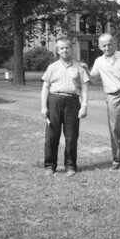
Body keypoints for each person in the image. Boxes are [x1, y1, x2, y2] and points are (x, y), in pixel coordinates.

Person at [87, 33, 120, 170]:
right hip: (112, 97)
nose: (107, 47)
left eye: (109, 44)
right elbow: (93, 79)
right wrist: (84, 70)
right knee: (114, 129)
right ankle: (117, 160)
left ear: (115, 44)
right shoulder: (99, 61)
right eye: (104, 45)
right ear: (100, 47)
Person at [41, 36, 89, 177]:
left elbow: (85, 88)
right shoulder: (52, 67)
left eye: (67, 47)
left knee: (71, 136)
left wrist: (84, 106)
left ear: (71, 48)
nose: (64, 50)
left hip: (73, 102)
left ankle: (70, 166)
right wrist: (44, 106)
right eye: (61, 48)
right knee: (51, 136)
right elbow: (45, 87)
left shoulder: (79, 67)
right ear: (57, 50)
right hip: (54, 101)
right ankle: (50, 166)